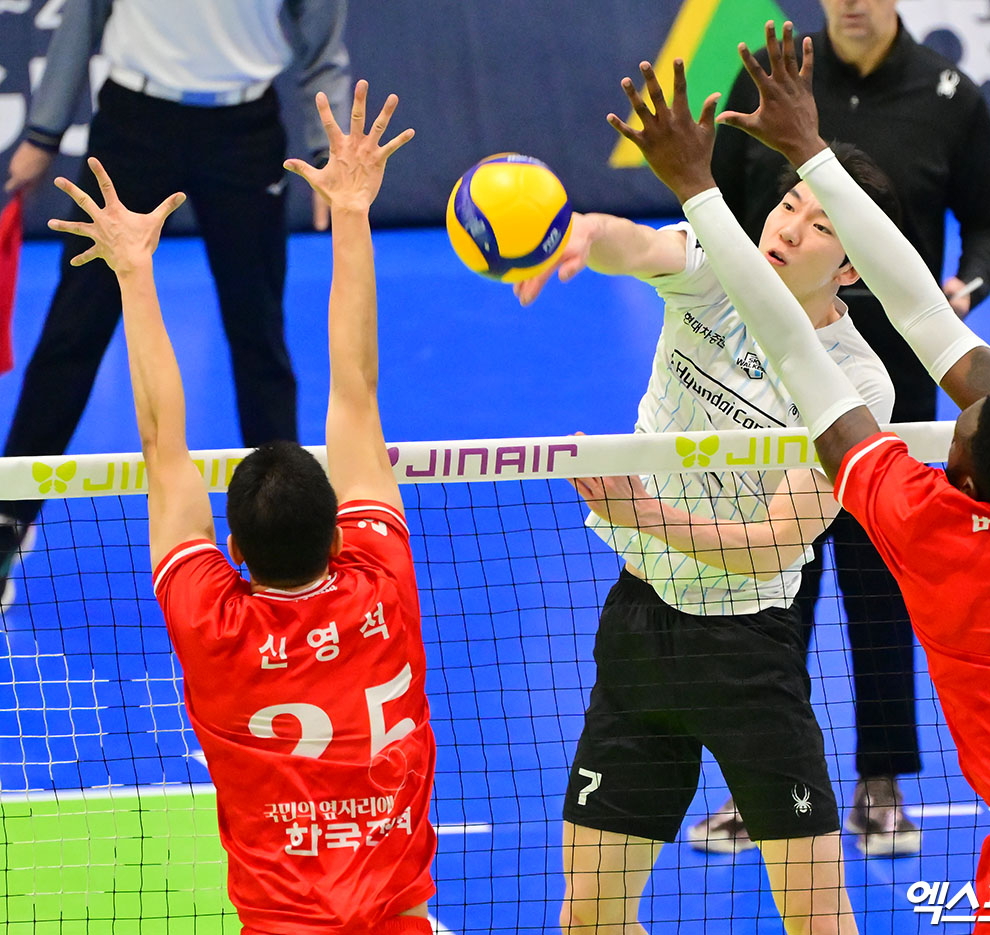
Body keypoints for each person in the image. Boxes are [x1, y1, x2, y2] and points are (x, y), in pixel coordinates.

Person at [617, 23, 990, 932]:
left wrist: (697, 187)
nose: (952, 420)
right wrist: (812, 153)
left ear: (961, 475)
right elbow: (929, 318)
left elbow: (794, 343)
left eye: (954, 436)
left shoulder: (932, 523)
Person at [46, 82, 439, 934]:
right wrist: (352, 212)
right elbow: (357, 390)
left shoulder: (211, 620)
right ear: (340, 532)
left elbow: (162, 444)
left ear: (233, 545)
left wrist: (133, 272)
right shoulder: (382, 577)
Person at [517, 65, 898, 935]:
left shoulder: (858, 383)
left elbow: (774, 546)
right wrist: (582, 234)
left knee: (820, 921)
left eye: (820, 226)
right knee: (589, 921)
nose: (788, 227)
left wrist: (637, 512)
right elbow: (637, 246)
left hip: (749, 654)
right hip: (640, 633)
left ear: (851, 267)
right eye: (791, 205)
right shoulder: (714, 272)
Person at [696, 0, 990, 858]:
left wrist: (965, 288)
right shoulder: (774, 86)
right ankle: (760, 782)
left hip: (898, 386)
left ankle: (881, 783)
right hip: (775, 378)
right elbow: (714, 208)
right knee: (775, 585)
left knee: (881, 588)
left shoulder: (951, 96)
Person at [0, 0, 351, 614]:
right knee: (72, 334)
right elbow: (84, 13)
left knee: (259, 338)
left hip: (244, 130)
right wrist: (43, 131)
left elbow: (321, 35)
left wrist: (330, 148)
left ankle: (287, 545)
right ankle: (7, 518)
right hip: (133, 125)